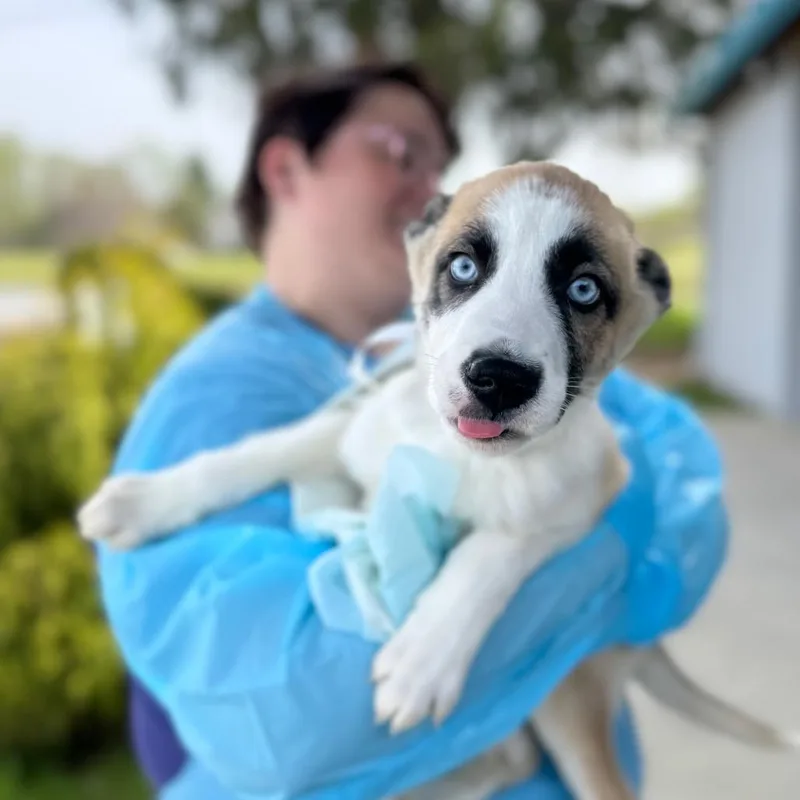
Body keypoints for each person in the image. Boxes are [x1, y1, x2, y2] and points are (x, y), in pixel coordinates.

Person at [94, 60, 729, 799]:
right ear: (286, 168)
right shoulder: (220, 394)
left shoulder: (436, 340)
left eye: (441, 165)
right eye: (400, 151)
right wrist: (579, 551)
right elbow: (291, 710)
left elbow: (688, 493)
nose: (431, 186)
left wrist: (598, 523)